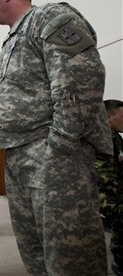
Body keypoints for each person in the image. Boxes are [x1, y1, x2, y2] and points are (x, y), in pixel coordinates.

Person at [0, 0, 113, 275]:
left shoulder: (50, 18)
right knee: (35, 252)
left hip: (53, 157)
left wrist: (62, 143)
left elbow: (82, 78)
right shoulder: (13, 38)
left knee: (70, 255)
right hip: (20, 154)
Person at [95, 99, 123, 275]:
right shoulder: (101, 139)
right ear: (108, 117)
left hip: (114, 188)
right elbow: (103, 179)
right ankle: (120, 262)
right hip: (100, 192)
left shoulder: (115, 137)